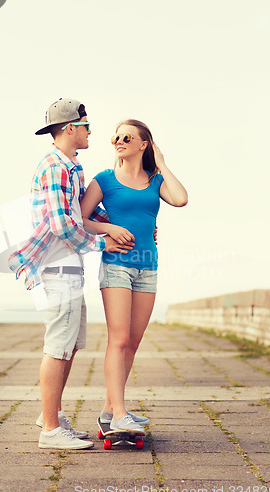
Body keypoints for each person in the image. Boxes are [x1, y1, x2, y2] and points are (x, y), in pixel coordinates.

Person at [8, 98, 133, 449]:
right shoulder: (54, 167)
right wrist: (102, 244)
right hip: (58, 264)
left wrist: (116, 226)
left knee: (71, 345)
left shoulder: (70, 165)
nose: (91, 131)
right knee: (58, 346)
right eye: (86, 125)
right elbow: (64, 225)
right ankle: (50, 430)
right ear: (69, 128)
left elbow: (81, 213)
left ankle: (53, 415)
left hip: (69, 265)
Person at [80, 119, 188, 433]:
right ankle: (120, 414)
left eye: (127, 136)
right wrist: (108, 228)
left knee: (134, 341)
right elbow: (80, 218)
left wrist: (162, 162)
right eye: (115, 136)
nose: (118, 140)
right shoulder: (104, 180)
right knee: (120, 339)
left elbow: (180, 198)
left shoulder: (155, 180)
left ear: (144, 144)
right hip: (116, 264)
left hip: (147, 266)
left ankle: (109, 410)